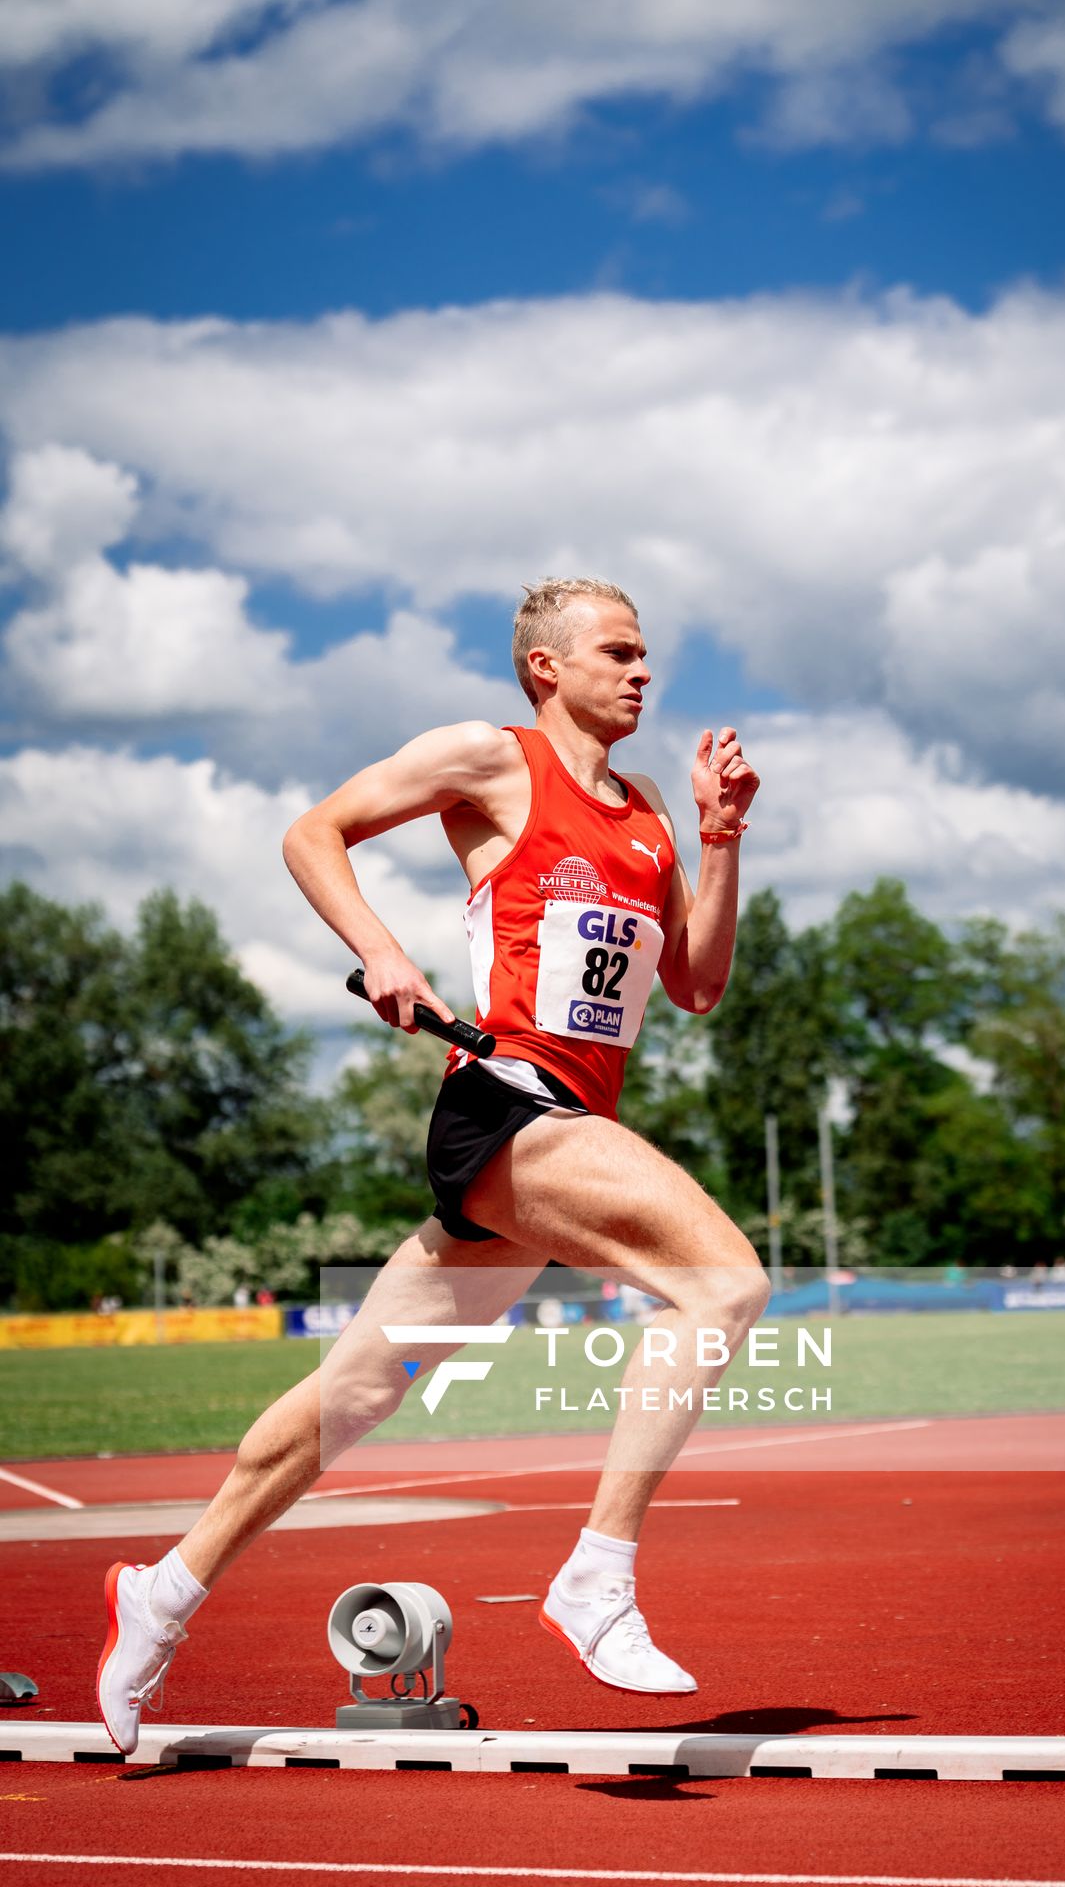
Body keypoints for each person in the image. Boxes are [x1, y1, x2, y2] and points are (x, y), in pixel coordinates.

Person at [97, 577, 766, 1752]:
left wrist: (718, 842)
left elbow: (698, 987)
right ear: (545, 668)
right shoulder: (490, 758)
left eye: (648, 654)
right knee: (721, 1282)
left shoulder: (651, 806)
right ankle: (595, 1576)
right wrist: (384, 952)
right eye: (618, 651)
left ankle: (161, 1591)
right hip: (508, 1105)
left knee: (349, 1398)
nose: (643, 672)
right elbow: (313, 833)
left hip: (558, 1128)